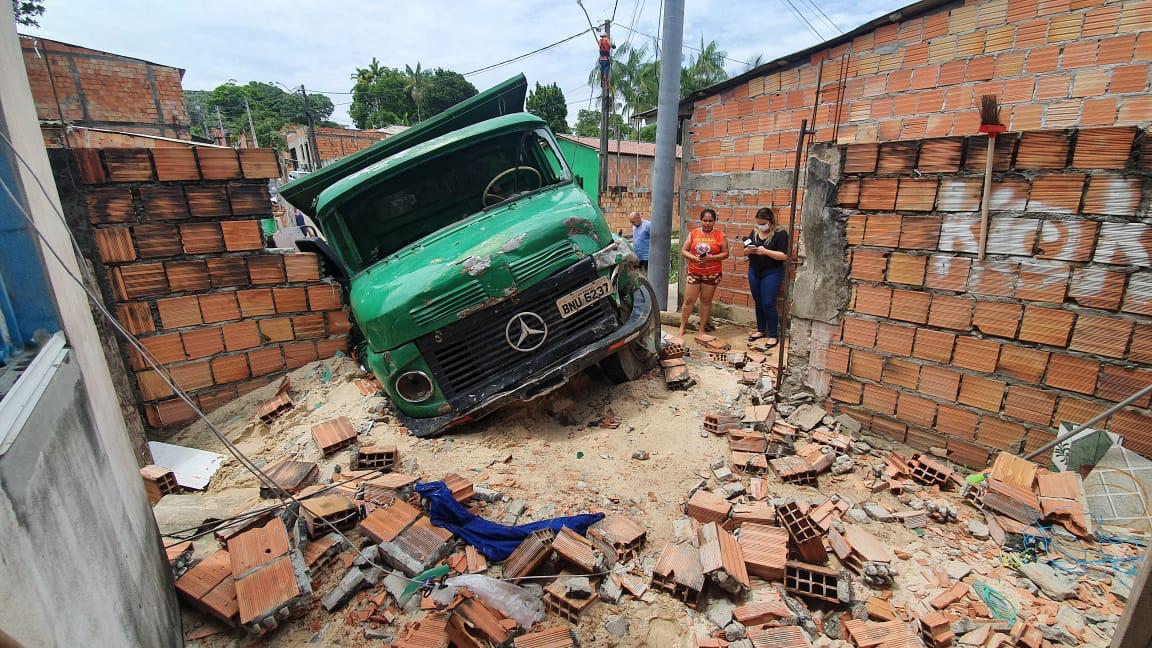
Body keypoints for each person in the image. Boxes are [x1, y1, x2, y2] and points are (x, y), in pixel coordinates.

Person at [743, 207, 790, 347]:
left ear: (770, 221)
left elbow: (784, 256)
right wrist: (748, 251)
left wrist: (765, 251)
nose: (761, 226)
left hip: (772, 272)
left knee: (768, 302)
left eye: (763, 223)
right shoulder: (755, 232)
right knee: (758, 301)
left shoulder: (780, 234)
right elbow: (746, 250)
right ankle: (761, 330)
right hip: (754, 270)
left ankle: (773, 335)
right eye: (759, 223)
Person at [678, 208, 728, 337]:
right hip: (694, 271)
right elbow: (684, 250)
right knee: (689, 300)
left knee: (706, 301)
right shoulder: (693, 233)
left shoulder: (720, 235)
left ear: (714, 221)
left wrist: (711, 258)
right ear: (700, 220)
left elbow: (725, 253)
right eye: (704, 220)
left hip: (712, 273)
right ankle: (682, 327)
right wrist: (694, 258)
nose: (707, 223)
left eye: (710, 221)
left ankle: (701, 330)